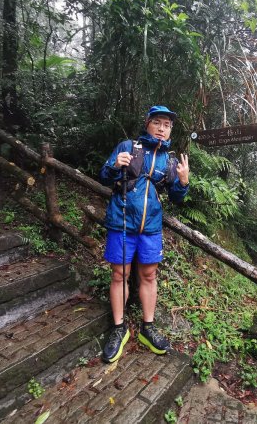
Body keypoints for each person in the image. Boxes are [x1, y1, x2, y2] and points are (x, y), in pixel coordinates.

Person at [99, 105, 190, 363]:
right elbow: (104, 176)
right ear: (148, 123)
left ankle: (147, 328)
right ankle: (119, 329)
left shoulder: (170, 161)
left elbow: (176, 197)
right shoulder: (128, 146)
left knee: (149, 274)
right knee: (120, 274)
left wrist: (183, 182)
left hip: (151, 227)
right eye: (157, 123)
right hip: (122, 223)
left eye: (167, 125)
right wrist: (115, 166)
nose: (162, 129)